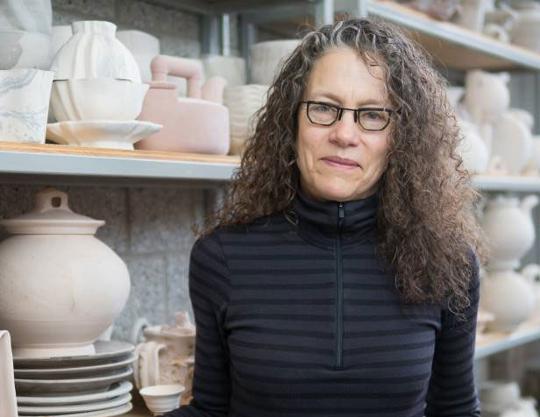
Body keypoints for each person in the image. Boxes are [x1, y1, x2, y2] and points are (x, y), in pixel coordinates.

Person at [162, 17, 486, 417]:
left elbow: (454, 411)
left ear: (400, 137)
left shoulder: (449, 265)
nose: (344, 134)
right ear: (291, 121)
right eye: (324, 108)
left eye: (371, 115)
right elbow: (211, 409)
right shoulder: (222, 257)